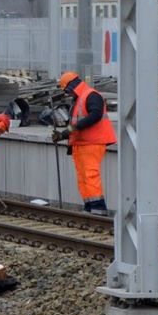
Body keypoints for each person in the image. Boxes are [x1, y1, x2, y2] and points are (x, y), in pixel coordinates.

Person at [53, 72, 116, 215]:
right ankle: (89, 206)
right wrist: (63, 135)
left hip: (92, 142)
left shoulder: (91, 95)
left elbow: (95, 115)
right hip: (81, 144)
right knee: (83, 176)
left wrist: (68, 131)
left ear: (71, 86)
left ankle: (98, 207)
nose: (66, 94)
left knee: (89, 174)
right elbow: (76, 125)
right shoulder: (80, 99)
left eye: (66, 90)